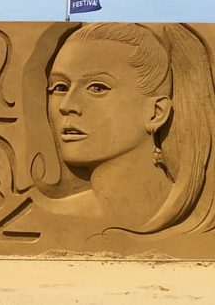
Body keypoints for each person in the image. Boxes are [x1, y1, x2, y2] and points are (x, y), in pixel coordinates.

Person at [42, 22, 215, 234]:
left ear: (156, 113)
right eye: (60, 87)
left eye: (97, 87)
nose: (67, 106)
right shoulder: (53, 215)